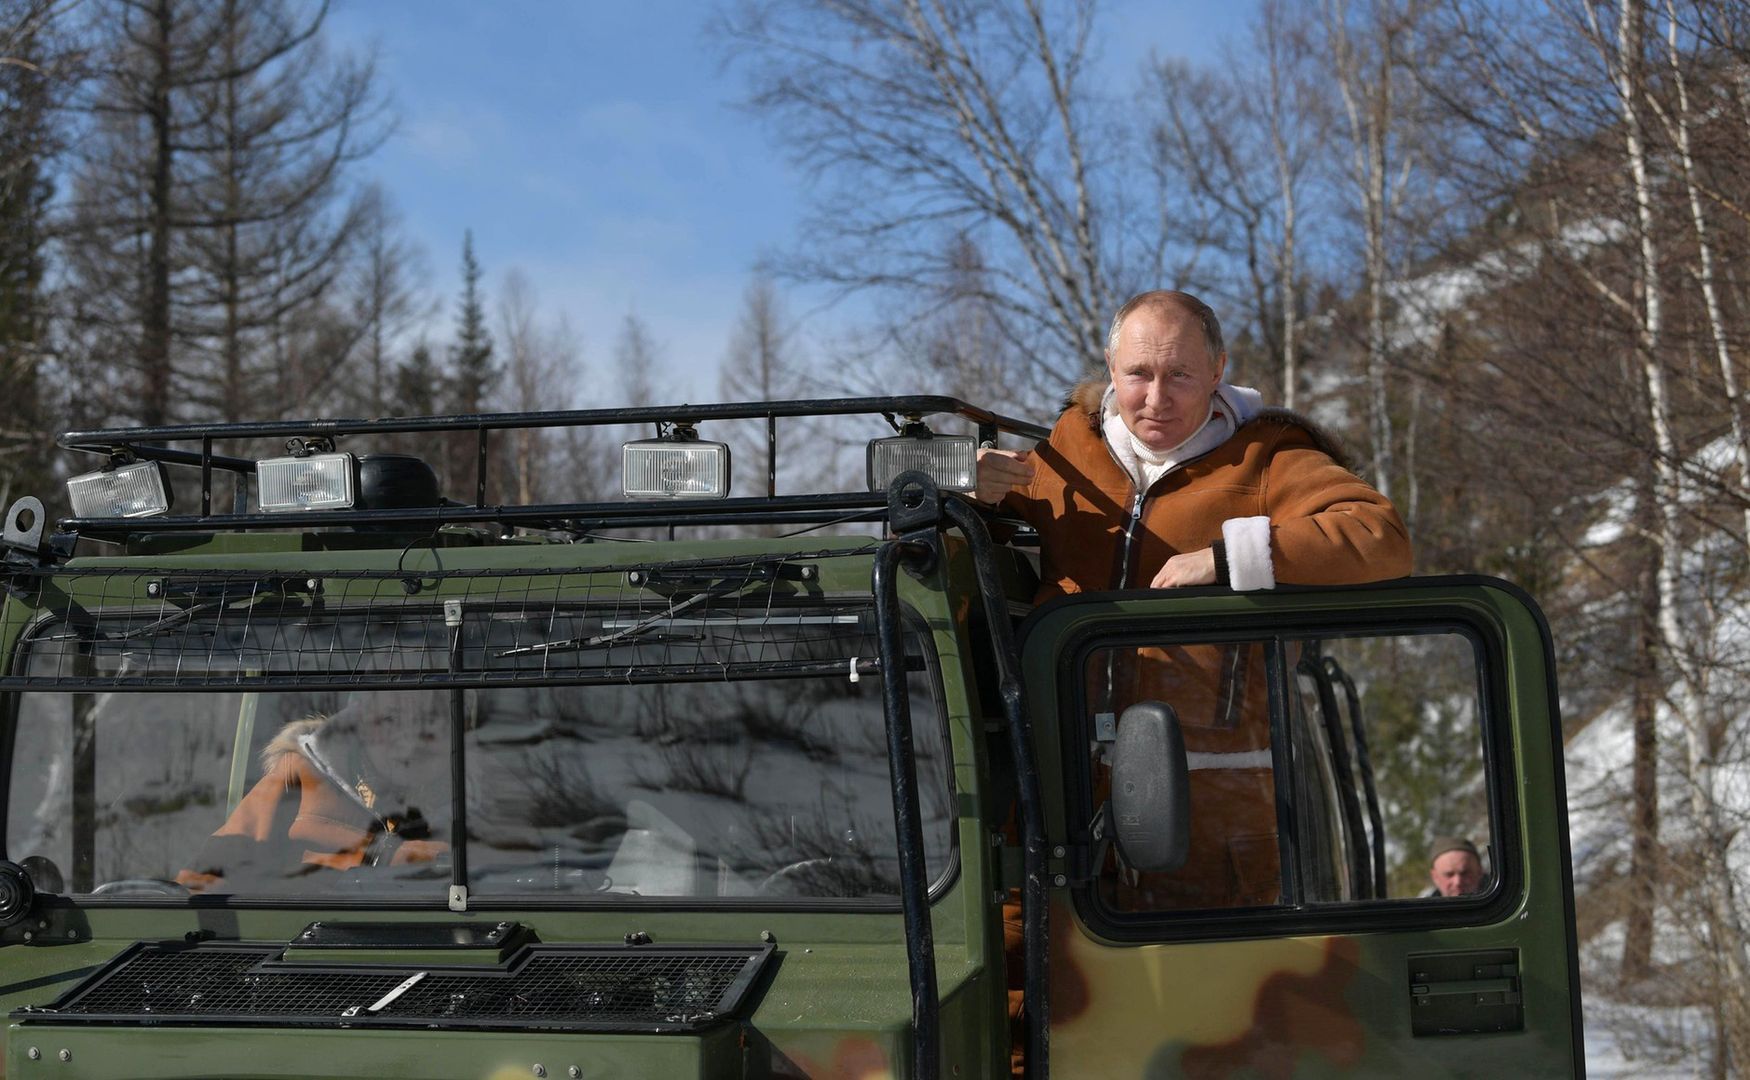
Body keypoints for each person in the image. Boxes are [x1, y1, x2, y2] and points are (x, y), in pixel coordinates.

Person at [982, 290, 1412, 1073]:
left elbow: (1379, 538)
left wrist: (1230, 558)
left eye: (1180, 374)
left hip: (1215, 811)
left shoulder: (1266, 456)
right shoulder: (1063, 456)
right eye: (1139, 372)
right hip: (1064, 811)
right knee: (1031, 1024)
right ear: (1110, 369)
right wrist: (977, 496)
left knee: (1215, 1035)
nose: (1156, 396)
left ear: (1219, 371)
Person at [177, 692, 449, 893]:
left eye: (424, 722)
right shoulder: (302, 775)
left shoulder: (462, 793)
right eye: (389, 719)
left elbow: (478, 877)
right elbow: (210, 875)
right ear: (360, 722)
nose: (405, 737)